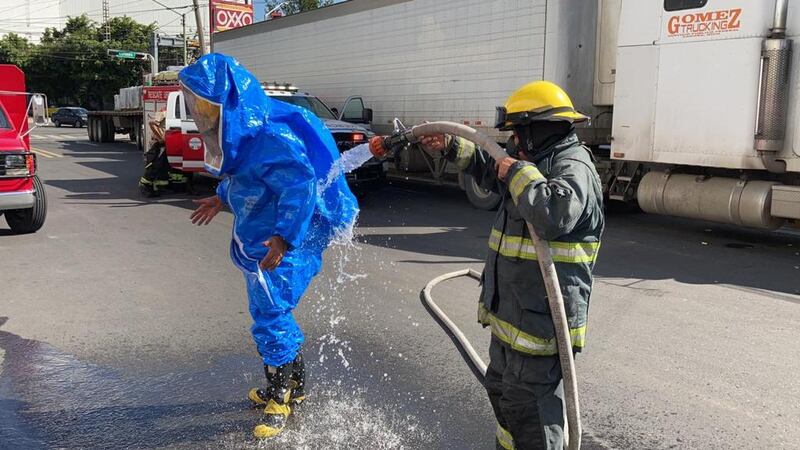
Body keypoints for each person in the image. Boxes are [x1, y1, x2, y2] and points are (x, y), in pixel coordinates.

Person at [181, 54, 358, 439]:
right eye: (197, 104)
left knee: (272, 313)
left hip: (289, 237)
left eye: (207, 104)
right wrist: (220, 199)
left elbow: (300, 187)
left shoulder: (270, 136)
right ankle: (294, 387)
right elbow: (243, 178)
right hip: (265, 236)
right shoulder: (243, 134)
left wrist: (284, 238)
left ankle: (281, 397)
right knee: (271, 311)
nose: (201, 113)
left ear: (229, 101)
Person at [420, 80, 604, 450]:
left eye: (518, 132)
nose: (513, 142)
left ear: (538, 129)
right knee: (505, 398)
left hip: (539, 325)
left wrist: (519, 172)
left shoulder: (572, 166)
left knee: (531, 412)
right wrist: (451, 146)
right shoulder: (534, 162)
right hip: (513, 318)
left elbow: (553, 214)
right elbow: (491, 169)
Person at [139, 115, 170, 197]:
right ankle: (144, 186)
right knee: (154, 166)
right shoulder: (163, 113)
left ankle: (154, 188)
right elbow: (152, 123)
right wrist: (161, 138)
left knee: (161, 167)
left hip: (163, 144)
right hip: (159, 144)